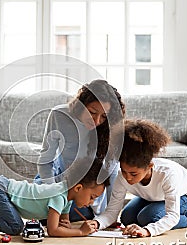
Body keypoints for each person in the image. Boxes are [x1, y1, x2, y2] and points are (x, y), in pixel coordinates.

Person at [90, 119, 187, 237]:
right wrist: (96, 223)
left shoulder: (167, 175)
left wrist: (147, 231)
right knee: (127, 218)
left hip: (185, 195)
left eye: (134, 174)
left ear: (149, 166)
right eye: (124, 171)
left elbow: (172, 216)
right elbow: (112, 211)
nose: (127, 178)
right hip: (153, 197)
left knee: (149, 218)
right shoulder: (122, 176)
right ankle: (152, 212)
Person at [35, 79, 125, 221]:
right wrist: (53, 193)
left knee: (73, 212)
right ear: (81, 105)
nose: (96, 121)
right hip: (58, 182)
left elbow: (111, 172)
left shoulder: (113, 127)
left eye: (103, 117)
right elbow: (46, 160)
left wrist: (110, 214)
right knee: (36, 206)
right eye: (92, 112)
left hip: (86, 191)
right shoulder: (59, 115)